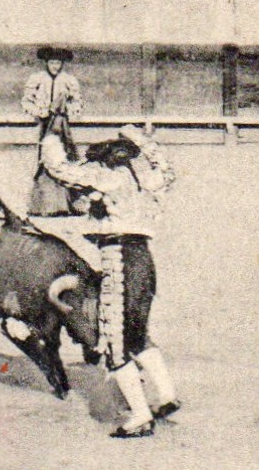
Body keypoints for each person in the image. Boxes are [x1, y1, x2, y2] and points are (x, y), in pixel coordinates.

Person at [40, 126, 180, 438]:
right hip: (144, 261)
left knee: (115, 343)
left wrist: (49, 141)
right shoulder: (144, 178)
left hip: (119, 261)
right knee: (137, 333)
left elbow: (60, 170)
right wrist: (142, 141)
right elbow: (167, 171)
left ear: (105, 161)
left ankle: (141, 416)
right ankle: (167, 395)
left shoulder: (107, 177)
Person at [22, 47, 82, 216]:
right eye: (52, 62)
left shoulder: (69, 80)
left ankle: (68, 203)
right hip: (45, 123)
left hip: (62, 124)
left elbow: (77, 103)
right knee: (45, 159)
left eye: (58, 62)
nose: (55, 66)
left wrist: (67, 110)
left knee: (65, 157)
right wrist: (40, 112)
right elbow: (26, 102)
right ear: (46, 63)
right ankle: (45, 205)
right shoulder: (38, 79)